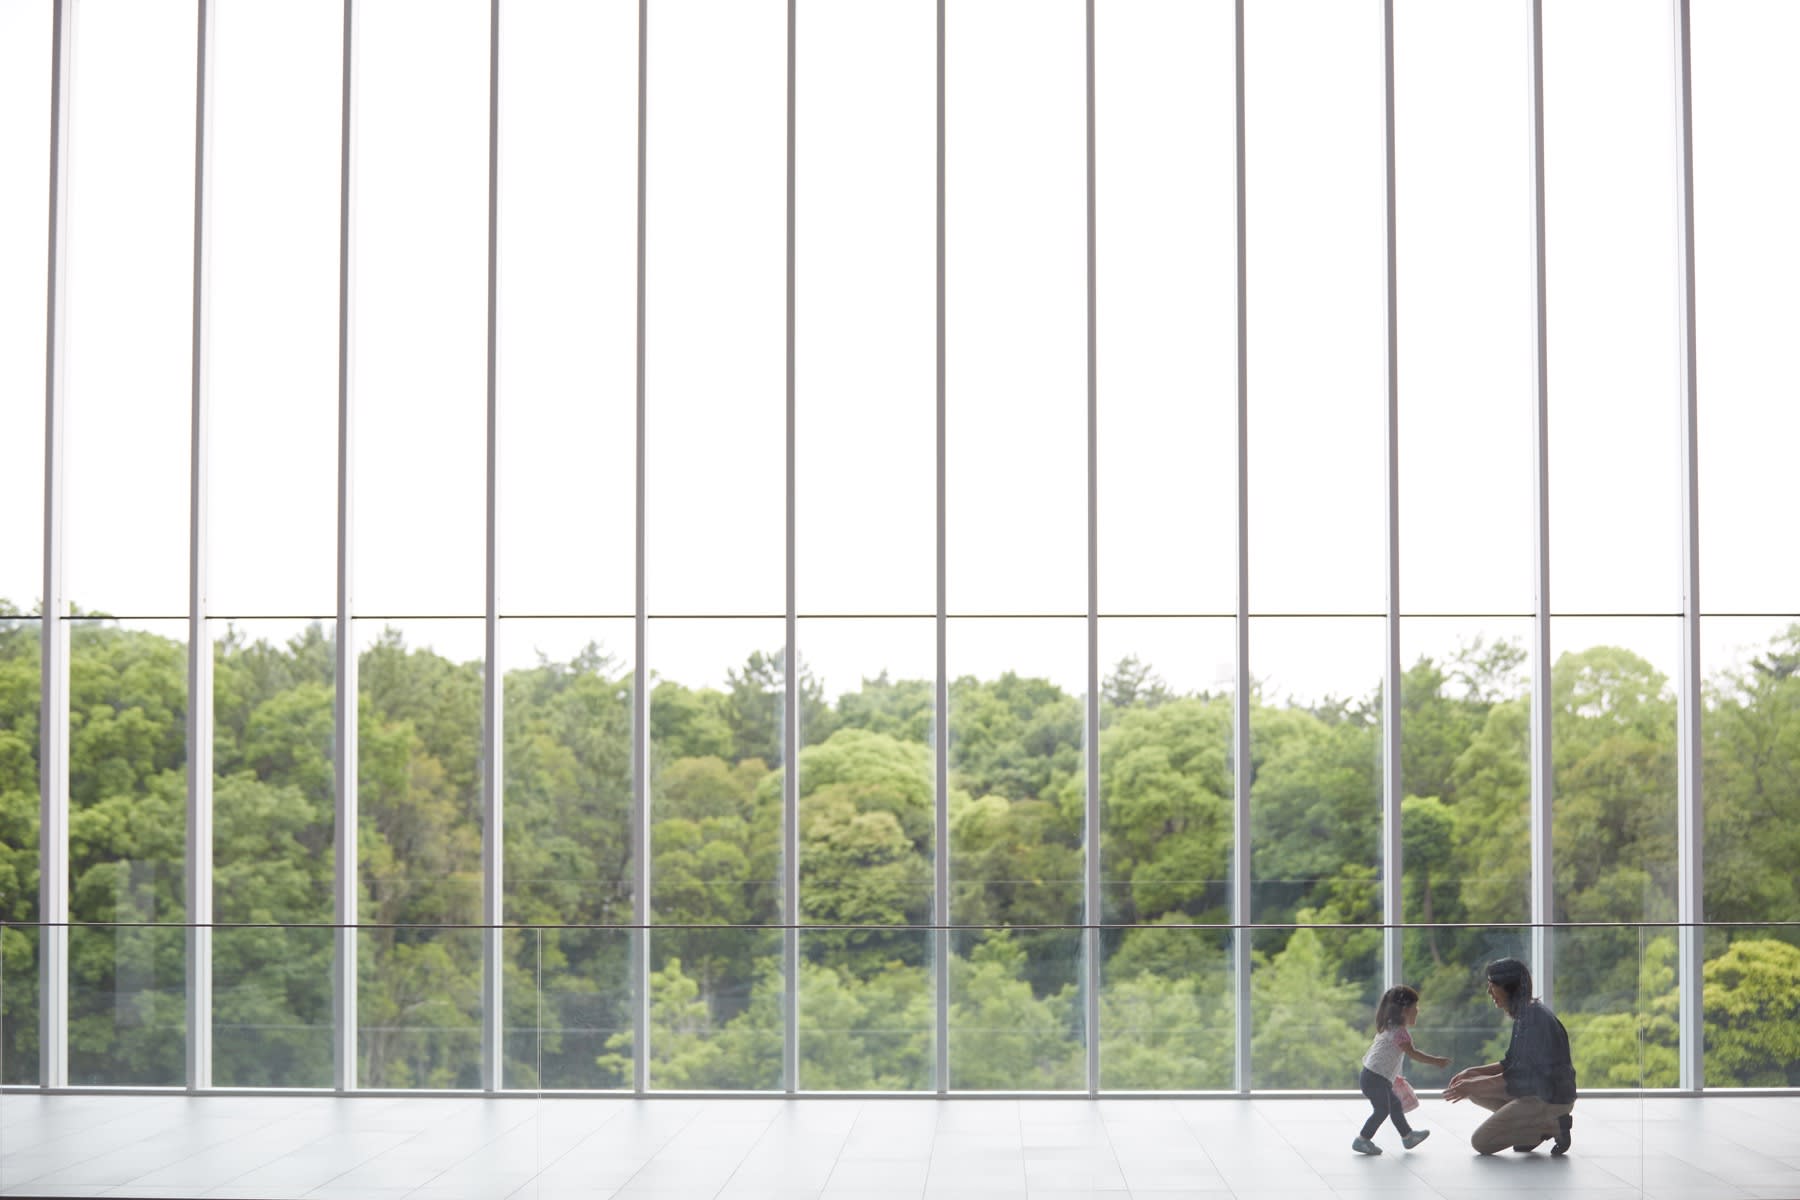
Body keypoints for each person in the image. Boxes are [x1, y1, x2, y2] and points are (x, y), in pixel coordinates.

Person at [1443, 957, 1578, 1156]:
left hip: (1549, 1098)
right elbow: (1510, 1063)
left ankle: (1552, 1125)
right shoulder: (1526, 1014)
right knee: (1472, 1088)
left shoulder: (1533, 1020)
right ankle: (1533, 1128)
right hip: (1535, 1092)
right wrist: (1471, 1073)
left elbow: (1516, 1077)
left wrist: (1471, 1084)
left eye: (1493, 986)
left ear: (1510, 987)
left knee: (1481, 1142)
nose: (1489, 992)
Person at [1352, 984, 1451, 1155]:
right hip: (1375, 1078)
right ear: (1405, 1010)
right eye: (1415, 1007)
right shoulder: (1400, 1033)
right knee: (1382, 1110)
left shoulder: (1390, 1026)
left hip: (1372, 1076)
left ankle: (1407, 1136)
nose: (1417, 1011)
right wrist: (1436, 1061)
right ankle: (1362, 1140)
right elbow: (1413, 1054)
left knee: (1394, 1104)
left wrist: (1392, 1076)